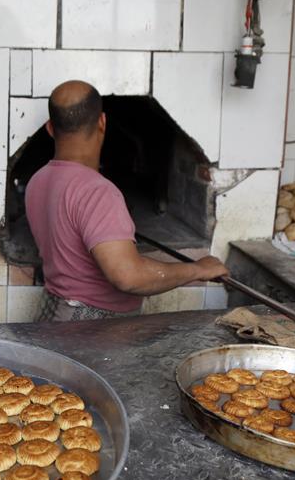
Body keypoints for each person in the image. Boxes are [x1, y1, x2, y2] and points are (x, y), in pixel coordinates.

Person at [26, 80, 229, 322]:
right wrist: (199, 269)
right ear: (102, 122)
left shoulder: (38, 180)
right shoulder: (97, 192)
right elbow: (128, 277)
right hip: (89, 327)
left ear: (49, 128)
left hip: (52, 311)